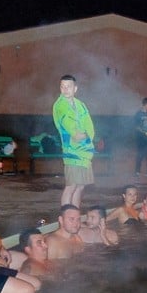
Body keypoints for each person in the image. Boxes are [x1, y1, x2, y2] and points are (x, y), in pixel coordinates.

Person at [52, 74, 95, 208]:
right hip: (72, 152)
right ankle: (66, 216)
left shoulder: (80, 104)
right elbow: (74, 134)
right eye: (62, 87)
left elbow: (90, 127)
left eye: (68, 87)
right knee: (71, 186)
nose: (65, 90)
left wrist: (87, 135)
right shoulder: (60, 106)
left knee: (80, 186)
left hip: (85, 152)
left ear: (75, 88)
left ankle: (75, 214)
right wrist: (84, 135)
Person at [133, 97, 147, 177]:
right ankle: (137, 171)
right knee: (140, 154)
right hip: (140, 137)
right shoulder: (138, 114)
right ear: (146, 104)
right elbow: (136, 126)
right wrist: (144, 132)